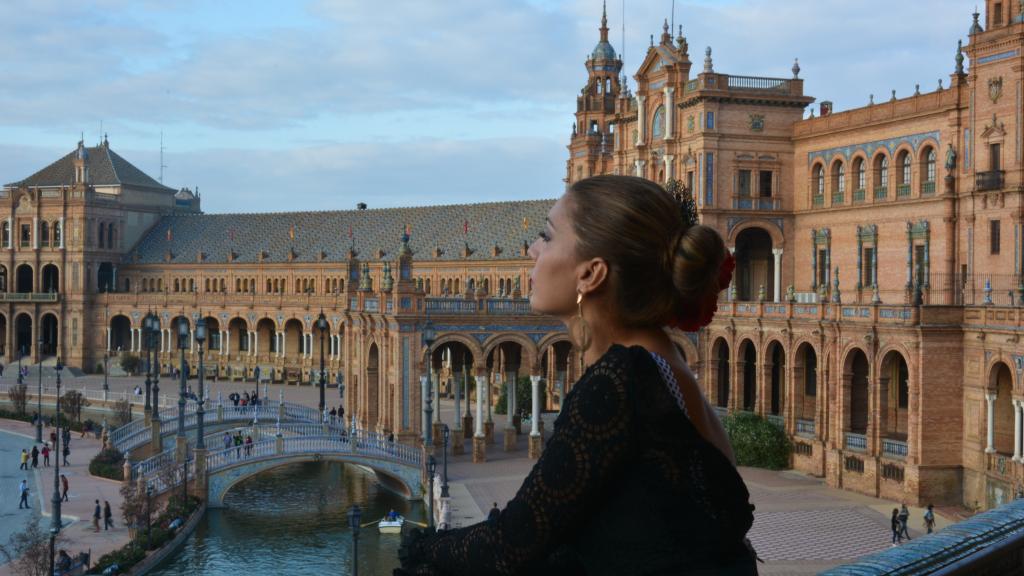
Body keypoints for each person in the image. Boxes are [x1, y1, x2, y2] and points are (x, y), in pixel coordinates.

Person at [397, 176, 755, 575]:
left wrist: (420, 549)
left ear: (591, 274)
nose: (532, 250)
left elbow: (509, 545)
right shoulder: (663, 364)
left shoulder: (618, 382)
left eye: (547, 237)